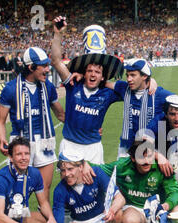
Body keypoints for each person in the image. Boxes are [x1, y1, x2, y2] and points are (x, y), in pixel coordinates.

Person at [85, 140, 178, 223]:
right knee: (130, 221)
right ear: (132, 158)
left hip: (158, 210)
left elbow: (175, 193)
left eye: (149, 157)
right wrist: (83, 163)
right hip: (135, 210)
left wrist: (166, 205)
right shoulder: (122, 166)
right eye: (141, 157)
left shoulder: (162, 167)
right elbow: (99, 169)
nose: (146, 161)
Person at [0, 46, 65, 203]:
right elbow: (0, 122)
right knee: (17, 191)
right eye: (44, 66)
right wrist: (2, 139)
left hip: (45, 142)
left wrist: (85, 128)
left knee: (45, 189)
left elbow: (61, 114)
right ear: (31, 67)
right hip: (20, 142)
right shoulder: (10, 89)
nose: (48, 70)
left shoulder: (48, 86)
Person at [51, 17, 124, 164]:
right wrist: (57, 34)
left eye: (97, 72)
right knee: (69, 186)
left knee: (95, 186)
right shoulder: (73, 84)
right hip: (70, 146)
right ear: (84, 73)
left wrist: (105, 83)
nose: (92, 74)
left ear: (103, 76)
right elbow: (56, 61)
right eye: (89, 71)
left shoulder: (107, 94)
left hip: (93, 149)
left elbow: (132, 88)